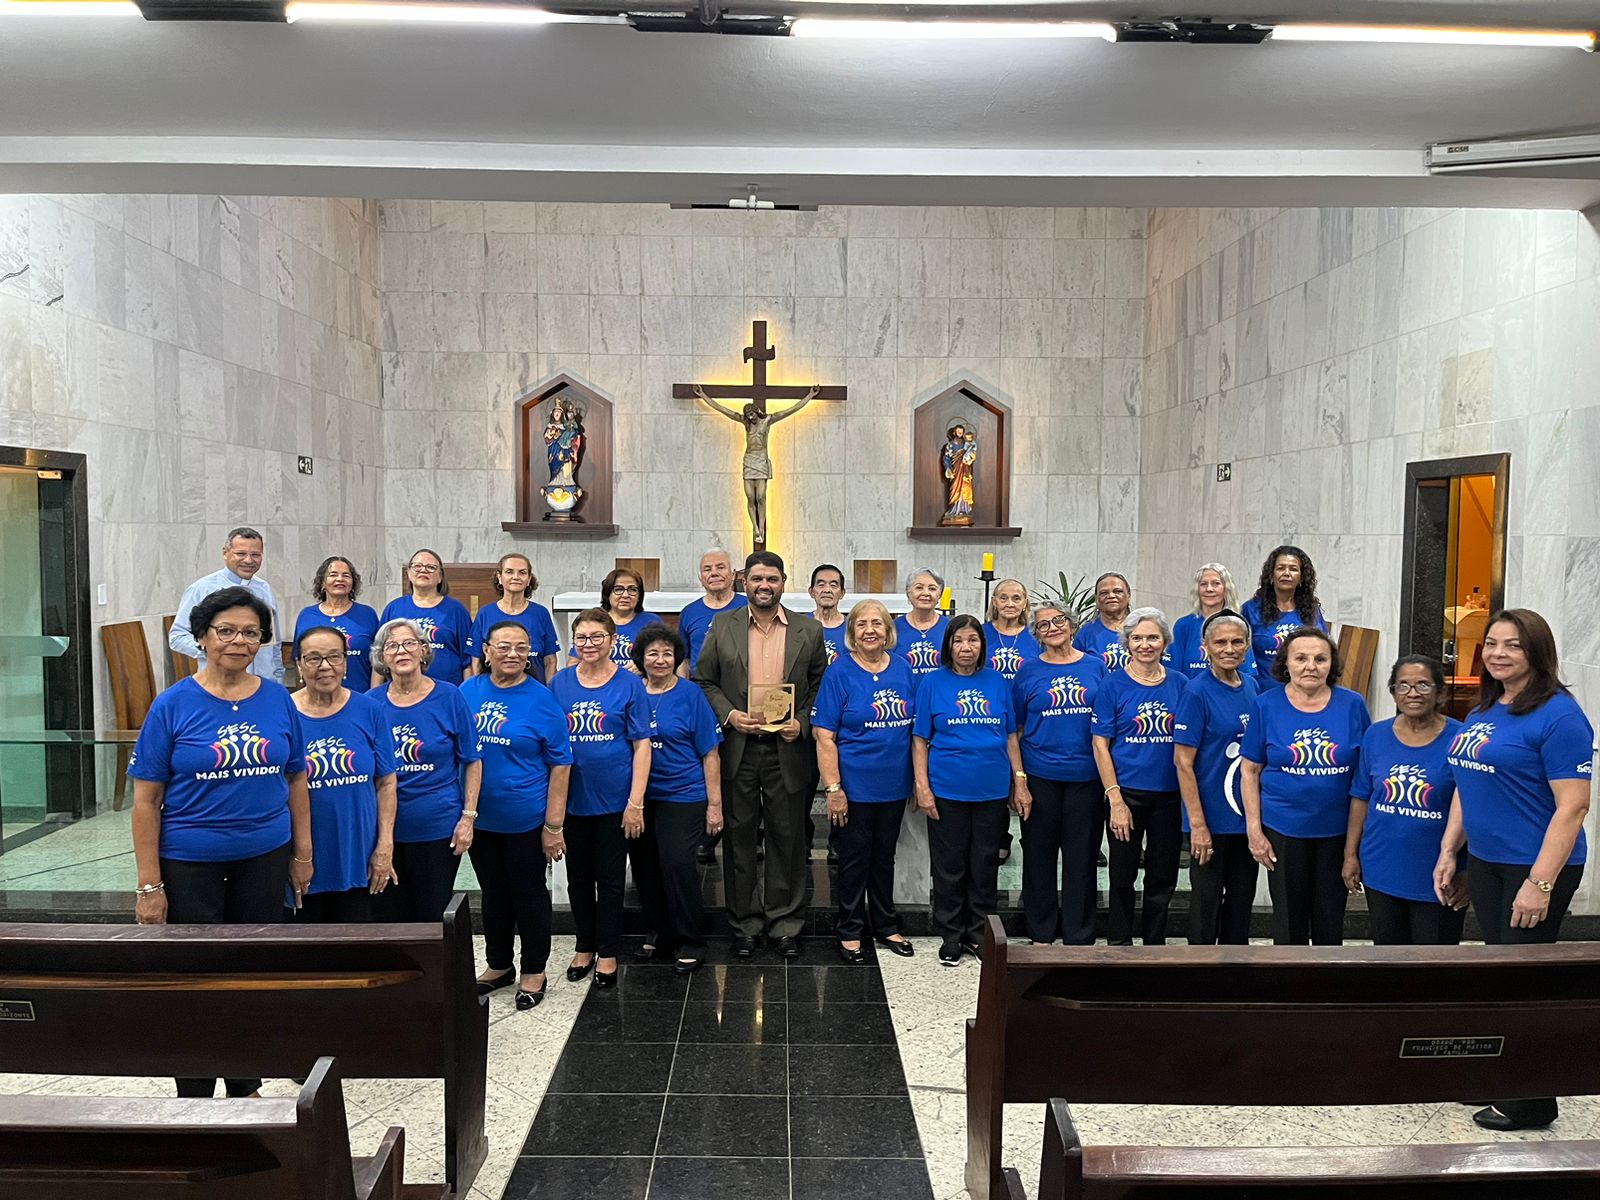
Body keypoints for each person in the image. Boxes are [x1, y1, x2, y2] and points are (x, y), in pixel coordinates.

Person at [130, 585, 311, 1099]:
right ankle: (193, 1091)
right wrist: (149, 886)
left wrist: (302, 853)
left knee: (252, 973)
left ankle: (245, 1084)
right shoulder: (172, 705)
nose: (239, 641)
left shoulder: (276, 699)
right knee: (194, 979)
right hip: (190, 862)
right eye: (226, 630)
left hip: (264, 856)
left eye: (251, 633)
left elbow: (296, 777)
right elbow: (145, 801)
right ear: (203, 637)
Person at [1435, 609, 1592, 1132]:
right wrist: (1450, 851)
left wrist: (1539, 884)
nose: (1498, 653)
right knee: (1501, 975)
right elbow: (1468, 783)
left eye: (1513, 645)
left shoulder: (1560, 716)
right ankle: (1504, 1076)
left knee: (1525, 982)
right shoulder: (1486, 709)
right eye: (1491, 643)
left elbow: (1573, 806)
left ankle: (1532, 1100)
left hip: (1534, 865)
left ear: (1537, 652)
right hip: (1487, 861)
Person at [694, 551, 829, 959]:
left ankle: (785, 923)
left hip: (787, 748)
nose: (764, 586)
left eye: (772, 578)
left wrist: (801, 722)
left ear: (784, 582)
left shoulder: (809, 629)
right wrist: (730, 715)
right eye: (756, 579)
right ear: (744, 582)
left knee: (788, 839)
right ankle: (745, 923)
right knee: (739, 839)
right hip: (739, 747)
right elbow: (704, 679)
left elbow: (820, 685)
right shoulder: (723, 625)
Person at [461, 620, 573, 1010]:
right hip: (479, 818)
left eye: (521, 648)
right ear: (486, 651)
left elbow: (561, 765)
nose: (512, 654)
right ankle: (498, 965)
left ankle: (534, 970)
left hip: (525, 819)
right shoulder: (467, 691)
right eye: (504, 646)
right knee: (493, 894)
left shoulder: (542, 699)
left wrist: (553, 825)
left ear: (529, 656)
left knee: (528, 895)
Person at [1241, 626, 1370, 945]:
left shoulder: (1353, 705)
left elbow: (1365, 774)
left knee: (1330, 922)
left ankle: (1325, 977)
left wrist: (1356, 844)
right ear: (1286, 663)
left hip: (1337, 833)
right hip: (1283, 831)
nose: (1311, 666)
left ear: (1332, 664)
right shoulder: (1266, 705)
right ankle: (1289, 976)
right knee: (1288, 922)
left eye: (1320, 659)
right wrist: (1254, 831)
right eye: (1301, 658)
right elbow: (1250, 770)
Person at [549, 609, 652, 988]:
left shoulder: (629, 684)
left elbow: (642, 745)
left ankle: (608, 950)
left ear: (612, 641)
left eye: (596, 637)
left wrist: (635, 802)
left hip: (614, 800)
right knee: (578, 878)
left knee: (609, 878)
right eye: (582, 637)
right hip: (571, 798)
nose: (589, 644)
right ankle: (584, 945)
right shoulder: (559, 683)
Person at [912, 615, 1020, 966]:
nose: (966, 647)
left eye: (973, 640)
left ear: (982, 646)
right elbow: (919, 740)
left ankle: (979, 933)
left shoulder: (997, 681)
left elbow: (1010, 735)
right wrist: (922, 786)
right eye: (958, 640)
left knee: (985, 864)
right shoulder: (932, 683)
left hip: (991, 789)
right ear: (948, 645)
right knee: (950, 866)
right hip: (947, 788)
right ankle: (951, 935)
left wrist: (1019, 781)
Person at [813, 599, 917, 964]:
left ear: (888, 631)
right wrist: (833, 789)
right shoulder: (839, 672)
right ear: (852, 633)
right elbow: (824, 736)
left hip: (894, 784)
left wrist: (917, 780)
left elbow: (915, 730)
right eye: (862, 624)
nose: (870, 630)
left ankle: (885, 924)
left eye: (877, 623)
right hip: (854, 787)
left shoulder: (903, 668)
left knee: (884, 857)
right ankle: (850, 930)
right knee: (855, 860)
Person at [1343, 655, 1466, 947]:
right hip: (1381, 868)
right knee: (1388, 960)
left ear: (1440, 693)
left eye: (1423, 685)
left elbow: (1477, 807)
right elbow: (1361, 797)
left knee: (1434, 962)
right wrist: (1350, 854)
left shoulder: (1461, 738)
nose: (1412, 693)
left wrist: (1470, 872)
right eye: (1403, 685)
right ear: (1394, 692)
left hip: (1439, 875)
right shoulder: (1375, 735)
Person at [370, 617, 483, 922]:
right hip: (383, 830)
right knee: (390, 918)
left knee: (433, 917)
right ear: (382, 657)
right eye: (392, 646)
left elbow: (472, 759)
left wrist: (468, 818)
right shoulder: (370, 703)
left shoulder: (449, 696)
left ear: (423, 650)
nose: (401, 651)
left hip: (437, 827)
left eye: (409, 643)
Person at [630, 625, 723, 975]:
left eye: (667, 654)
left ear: (677, 658)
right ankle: (659, 931)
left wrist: (715, 805)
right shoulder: (631, 691)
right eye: (653, 653)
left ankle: (690, 939)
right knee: (646, 868)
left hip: (683, 794)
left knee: (678, 864)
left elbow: (710, 752)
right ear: (641, 658)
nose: (660, 660)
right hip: (640, 797)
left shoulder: (690, 694)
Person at [1092, 607, 1187, 945]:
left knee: (1162, 876)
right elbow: (1100, 745)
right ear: (1127, 643)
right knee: (1122, 874)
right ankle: (1119, 943)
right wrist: (1115, 799)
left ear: (1165, 642)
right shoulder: (1112, 685)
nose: (1145, 644)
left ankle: (1154, 945)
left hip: (1169, 795)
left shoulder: (1181, 684)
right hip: (1126, 795)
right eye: (1137, 638)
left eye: (1152, 638)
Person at [290, 625, 397, 923]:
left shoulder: (369, 709)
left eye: (334, 656)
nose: (325, 666)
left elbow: (386, 782)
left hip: (359, 853)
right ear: (299, 665)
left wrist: (385, 845)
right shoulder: (285, 712)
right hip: (304, 855)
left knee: (358, 940)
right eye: (313, 658)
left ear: (345, 663)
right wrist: (297, 857)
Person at [1013, 604, 1106, 945]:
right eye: (1043, 625)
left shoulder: (1095, 666)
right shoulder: (1027, 671)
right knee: (1038, 856)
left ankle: (1079, 933)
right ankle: (1040, 931)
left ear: (1072, 624)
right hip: (1040, 775)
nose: (1052, 628)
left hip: (1087, 776)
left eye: (1058, 621)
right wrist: (1019, 780)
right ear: (1036, 635)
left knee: (1082, 858)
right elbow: (1016, 729)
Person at [1173, 611, 1260, 945]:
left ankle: (1236, 966)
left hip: (1245, 819)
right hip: (1210, 819)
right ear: (1205, 647)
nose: (1229, 649)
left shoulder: (1252, 686)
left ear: (1247, 646)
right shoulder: (1196, 692)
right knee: (1206, 904)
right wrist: (1197, 825)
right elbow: (1183, 763)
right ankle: (1200, 968)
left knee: (1241, 900)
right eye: (1220, 642)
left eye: (1237, 642)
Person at [171, 527, 284, 682]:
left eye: (255, 555)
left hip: (264, 682)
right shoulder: (202, 589)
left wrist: (278, 678)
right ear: (225, 553)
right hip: (219, 684)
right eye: (241, 554)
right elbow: (177, 637)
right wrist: (213, 649)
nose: (248, 560)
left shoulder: (264, 588)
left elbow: (274, 642)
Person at [380, 549, 472, 684]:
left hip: (448, 690)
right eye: (417, 566)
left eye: (431, 567)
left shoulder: (456, 610)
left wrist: (465, 693)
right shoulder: (394, 609)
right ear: (409, 573)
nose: (423, 570)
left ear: (440, 577)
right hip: (401, 689)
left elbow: (468, 660)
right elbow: (380, 655)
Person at [1241, 545, 1326, 689]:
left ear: (1301, 578)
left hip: (1305, 692)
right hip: (1263, 692)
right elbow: (1242, 656)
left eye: (1293, 569)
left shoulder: (1312, 611)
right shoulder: (1250, 610)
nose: (1286, 573)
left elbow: (1323, 650)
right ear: (1271, 575)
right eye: (1280, 568)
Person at [466, 553, 560, 684]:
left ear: (529, 579)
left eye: (522, 572)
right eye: (509, 572)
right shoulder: (485, 613)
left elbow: (550, 662)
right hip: (494, 691)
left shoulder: (540, 613)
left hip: (534, 691)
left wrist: (548, 692)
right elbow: (476, 662)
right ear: (499, 577)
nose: (515, 577)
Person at [294, 557, 381, 695]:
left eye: (346, 575)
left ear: (353, 583)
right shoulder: (306, 616)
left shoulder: (367, 614)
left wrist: (373, 696)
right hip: (316, 697)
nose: (340, 579)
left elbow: (378, 659)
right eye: (333, 575)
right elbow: (299, 659)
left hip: (360, 695)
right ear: (322, 582)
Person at [1169, 563, 1256, 680]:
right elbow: (1173, 674)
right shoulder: (1183, 626)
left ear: (1226, 589)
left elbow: (1246, 675)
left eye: (1216, 584)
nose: (1209, 589)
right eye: (1203, 584)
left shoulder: (1238, 626)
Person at [568, 567, 660, 672]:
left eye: (632, 590)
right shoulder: (594, 622)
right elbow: (572, 665)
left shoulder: (652, 622)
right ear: (608, 593)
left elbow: (664, 657)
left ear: (639, 595)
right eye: (618, 589)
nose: (625, 595)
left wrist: (643, 665)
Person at [678, 548, 747, 672]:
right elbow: (683, 660)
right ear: (701, 578)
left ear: (733, 574)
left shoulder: (749, 607)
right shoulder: (689, 612)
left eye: (720, 567)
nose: (714, 573)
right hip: (699, 682)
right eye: (707, 569)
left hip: (740, 681)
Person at [895, 567, 949, 679]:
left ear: (939, 595)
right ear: (908, 593)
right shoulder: (893, 628)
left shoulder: (950, 627)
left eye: (932, 589)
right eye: (919, 588)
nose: (926, 593)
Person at [1073, 572, 1132, 672]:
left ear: (1128, 596)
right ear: (1097, 599)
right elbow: (1076, 670)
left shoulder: (1141, 629)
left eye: (1118, 591)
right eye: (1104, 593)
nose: (1111, 596)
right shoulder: (1086, 633)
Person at [983, 579, 1039, 682]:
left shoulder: (1036, 635)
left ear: (1025, 603)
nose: (1010, 604)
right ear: (994, 602)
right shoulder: (980, 633)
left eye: (1016, 599)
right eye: (1003, 598)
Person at [809, 563, 849, 666]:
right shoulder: (800, 625)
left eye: (833, 585)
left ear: (842, 593)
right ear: (811, 592)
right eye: (821, 585)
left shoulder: (852, 627)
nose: (827, 590)